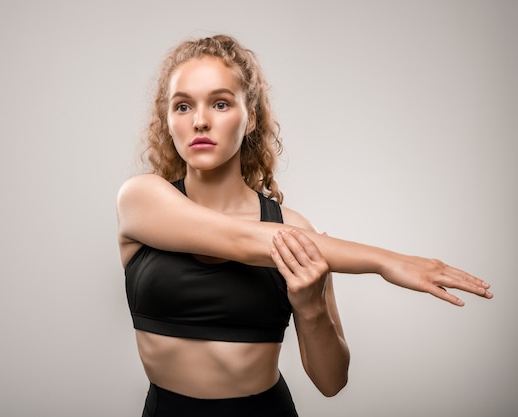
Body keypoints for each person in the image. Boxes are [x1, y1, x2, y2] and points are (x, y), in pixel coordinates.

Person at [116, 34, 493, 417]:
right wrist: (386, 261)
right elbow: (239, 239)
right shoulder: (141, 199)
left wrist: (310, 306)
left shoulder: (296, 228)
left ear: (251, 120)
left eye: (220, 103)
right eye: (182, 106)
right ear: (167, 120)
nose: (199, 121)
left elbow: (331, 383)